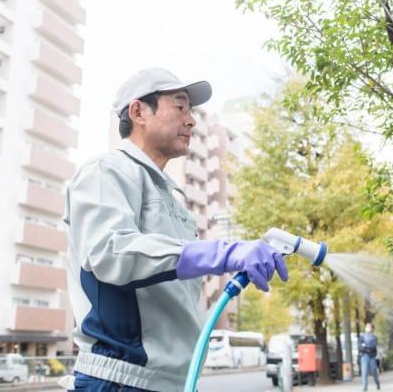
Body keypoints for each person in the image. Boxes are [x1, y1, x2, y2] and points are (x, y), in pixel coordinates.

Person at [63, 67, 289, 391]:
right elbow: (109, 251)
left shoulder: (170, 195)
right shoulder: (107, 171)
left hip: (171, 381)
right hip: (119, 378)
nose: (191, 120)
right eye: (180, 106)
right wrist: (223, 253)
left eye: (192, 110)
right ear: (138, 111)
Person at [359, 323, 381, 391]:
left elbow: (373, 346)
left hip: (372, 357)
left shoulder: (374, 337)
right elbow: (359, 347)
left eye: (369, 327)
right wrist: (366, 348)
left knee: (374, 372)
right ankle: (364, 388)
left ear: (372, 329)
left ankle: (377, 383)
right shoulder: (362, 337)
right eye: (367, 326)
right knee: (364, 372)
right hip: (364, 356)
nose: (368, 328)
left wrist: (365, 347)